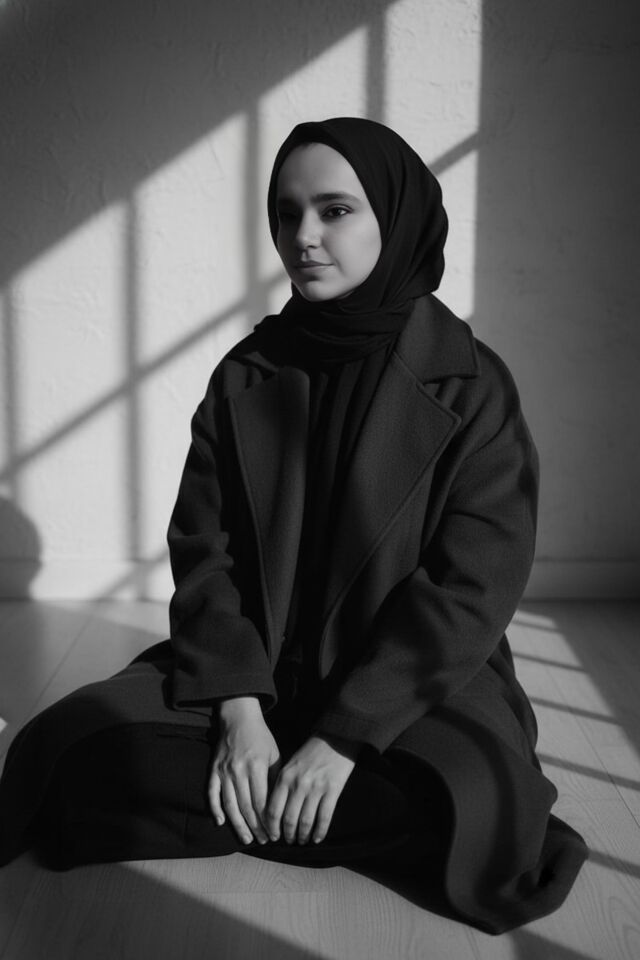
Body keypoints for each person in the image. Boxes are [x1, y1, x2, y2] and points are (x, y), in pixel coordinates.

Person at [0, 117, 588, 934]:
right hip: (254, 668)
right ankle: (295, 806)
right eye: (287, 213)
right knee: (67, 753)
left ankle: (268, 804)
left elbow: (470, 589)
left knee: (482, 809)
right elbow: (205, 554)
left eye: (335, 210)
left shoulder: (473, 385)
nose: (303, 237)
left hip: (407, 686)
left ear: (396, 218)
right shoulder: (246, 373)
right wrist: (239, 712)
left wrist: (343, 739)